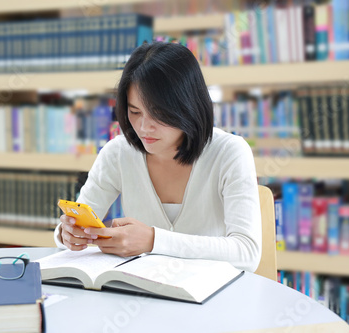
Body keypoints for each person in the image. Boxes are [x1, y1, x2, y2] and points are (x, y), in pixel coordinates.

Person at [54, 42, 262, 272]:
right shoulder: (118, 153)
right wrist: (67, 235)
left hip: (212, 298)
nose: (144, 127)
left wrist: (153, 241)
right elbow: (76, 221)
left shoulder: (229, 153)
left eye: (159, 114)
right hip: (144, 295)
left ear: (188, 106)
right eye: (134, 112)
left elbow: (247, 253)